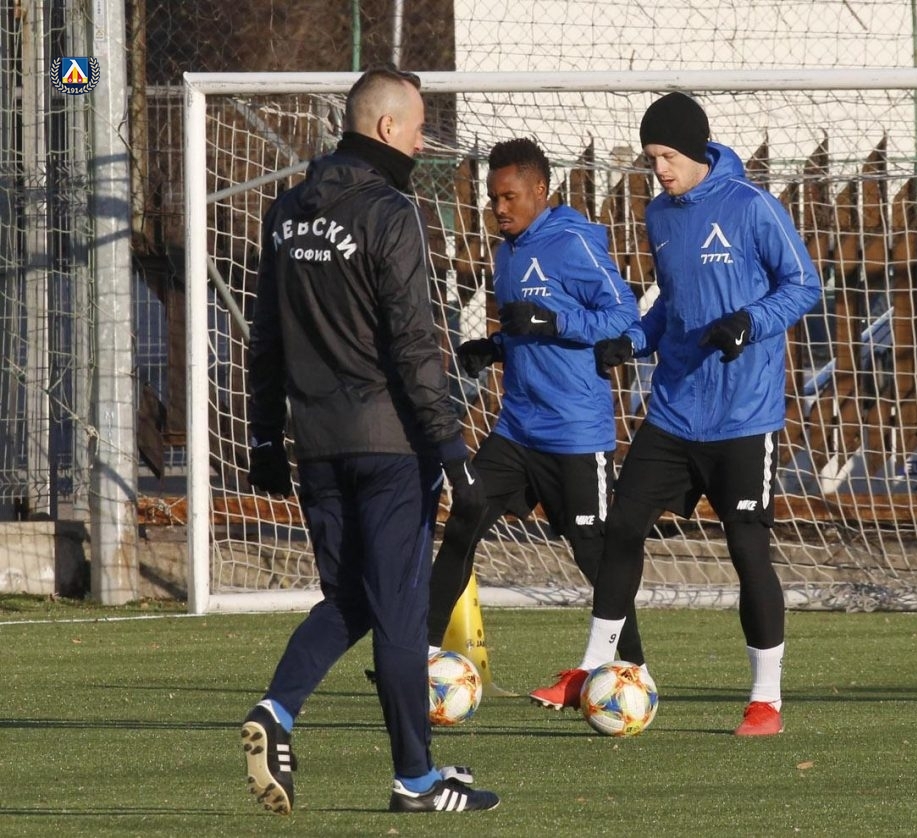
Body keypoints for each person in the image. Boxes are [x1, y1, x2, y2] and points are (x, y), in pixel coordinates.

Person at [241, 66, 499, 815]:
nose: (421, 143)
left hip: (316, 444)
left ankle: (276, 709)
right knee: (398, 611)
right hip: (390, 445)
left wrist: (264, 437)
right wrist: (451, 449)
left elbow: (265, 336)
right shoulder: (390, 210)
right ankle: (415, 780)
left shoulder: (286, 211)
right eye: (417, 128)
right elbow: (414, 343)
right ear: (386, 128)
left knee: (350, 597)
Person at [529, 92, 823, 736]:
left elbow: (803, 285)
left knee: (747, 550)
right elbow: (669, 304)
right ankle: (592, 666)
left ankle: (765, 700)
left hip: (744, 417)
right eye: (651, 158)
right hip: (674, 412)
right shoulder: (658, 214)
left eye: (666, 156)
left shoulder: (751, 206)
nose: (658, 169)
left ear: (694, 150)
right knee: (621, 528)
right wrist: (632, 340)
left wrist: (748, 322)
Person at [429, 138, 646, 703]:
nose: (499, 208)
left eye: (510, 197)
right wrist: (494, 347)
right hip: (516, 429)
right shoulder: (506, 252)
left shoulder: (573, 241)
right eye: (492, 198)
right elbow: (527, 331)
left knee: (593, 552)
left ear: (540, 191)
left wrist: (555, 322)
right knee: (464, 519)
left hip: (575, 432)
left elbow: (622, 314)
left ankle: (632, 671)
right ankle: (416, 655)